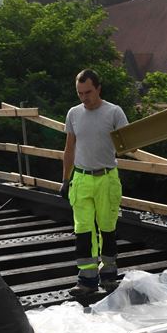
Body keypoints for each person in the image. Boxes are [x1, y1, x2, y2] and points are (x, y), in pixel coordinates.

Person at [60, 69, 129, 296]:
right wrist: (65, 179)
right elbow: (69, 148)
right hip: (81, 178)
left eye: (88, 92)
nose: (84, 97)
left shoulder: (114, 113)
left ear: (98, 88)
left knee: (107, 227)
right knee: (83, 229)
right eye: (80, 93)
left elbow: (128, 144)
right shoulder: (73, 113)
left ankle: (109, 275)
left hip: (106, 177)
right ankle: (87, 280)